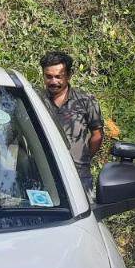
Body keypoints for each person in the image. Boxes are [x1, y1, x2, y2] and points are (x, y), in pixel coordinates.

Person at [39, 51, 103, 196]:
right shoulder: (36, 100)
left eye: (58, 77)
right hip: (43, 174)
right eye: (48, 76)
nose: (53, 81)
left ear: (68, 76)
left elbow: (97, 135)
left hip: (78, 175)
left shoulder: (86, 101)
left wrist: (83, 157)